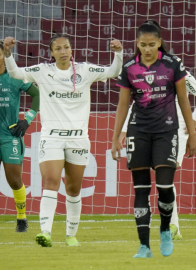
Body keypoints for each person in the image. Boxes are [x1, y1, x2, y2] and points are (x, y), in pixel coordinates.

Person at [3, 34, 123, 247]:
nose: (63, 51)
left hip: (78, 140)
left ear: (71, 50)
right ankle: (45, 232)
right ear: (51, 53)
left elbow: (114, 71)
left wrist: (118, 53)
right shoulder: (43, 71)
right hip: (51, 138)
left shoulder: (85, 71)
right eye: (58, 48)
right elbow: (14, 72)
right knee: (50, 182)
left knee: (74, 189)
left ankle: (70, 235)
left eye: (66, 47)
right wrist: (8, 53)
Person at [111, 20, 196, 258]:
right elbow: (122, 104)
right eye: (142, 44)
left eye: (151, 44)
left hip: (166, 131)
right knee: (140, 189)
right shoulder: (129, 67)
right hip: (138, 132)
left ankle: (165, 229)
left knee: (164, 186)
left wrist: (192, 134)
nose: (146, 49)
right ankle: (144, 246)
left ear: (159, 43)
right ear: (137, 44)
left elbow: (183, 100)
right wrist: (115, 137)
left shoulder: (172, 64)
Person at [119, 70, 196, 241]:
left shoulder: (178, 72)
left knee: (165, 174)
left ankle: (172, 225)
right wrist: (124, 128)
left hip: (176, 128)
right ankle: (168, 225)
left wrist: (194, 119)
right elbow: (136, 102)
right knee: (152, 175)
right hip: (149, 127)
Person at [0, 40, 40, 232]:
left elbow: (37, 95)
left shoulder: (16, 76)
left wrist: (27, 120)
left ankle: (22, 219)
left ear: (3, 56)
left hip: (10, 135)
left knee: (14, 180)